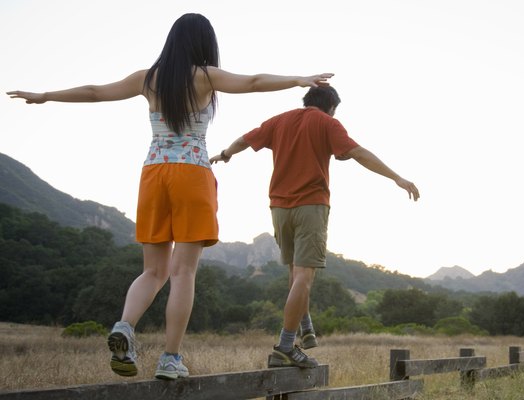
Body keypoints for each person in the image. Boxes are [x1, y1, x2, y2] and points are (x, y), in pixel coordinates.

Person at [6, 13, 332, 380]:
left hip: (153, 173)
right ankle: (170, 358)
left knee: (153, 270)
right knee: (183, 272)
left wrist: (46, 96)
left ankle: (125, 327)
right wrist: (297, 80)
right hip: (192, 173)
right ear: (204, 43)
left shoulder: (149, 78)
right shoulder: (205, 76)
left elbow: (96, 92)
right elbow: (254, 82)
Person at [209, 86, 419, 368]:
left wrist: (225, 153)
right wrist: (397, 177)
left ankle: (305, 324)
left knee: (295, 272)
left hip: (279, 207)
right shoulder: (327, 122)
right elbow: (358, 152)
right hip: (311, 205)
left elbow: (245, 139)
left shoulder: (280, 120)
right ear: (330, 106)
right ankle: (285, 347)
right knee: (304, 276)